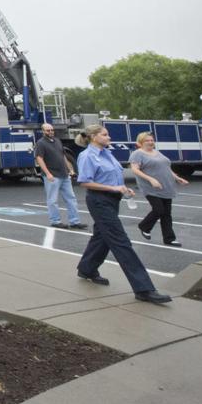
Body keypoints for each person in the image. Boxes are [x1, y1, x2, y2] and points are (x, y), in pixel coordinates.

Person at [75, 124, 171, 304]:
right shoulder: (87, 156)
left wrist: (123, 189)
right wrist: (113, 187)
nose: (109, 137)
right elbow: (84, 182)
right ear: (94, 137)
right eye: (105, 134)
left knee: (102, 236)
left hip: (113, 199)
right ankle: (144, 288)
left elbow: (112, 176)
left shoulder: (106, 153)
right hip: (99, 201)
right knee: (121, 241)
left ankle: (87, 269)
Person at [130, 131, 188, 246]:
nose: (150, 142)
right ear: (141, 142)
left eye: (152, 140)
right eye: (147, 140)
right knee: (159, 210)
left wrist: (177, 178)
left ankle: (169, 238)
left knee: (167, 214)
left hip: (166, 186)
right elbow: (135, 169)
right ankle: (144, 226)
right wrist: (151, 179)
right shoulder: (137, 154)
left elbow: (166, 167)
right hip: (151, 188)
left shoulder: (157, 152)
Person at [34, 123, 87, 230]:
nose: (50, 132)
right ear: (43, 131)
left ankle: (74, 221)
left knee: (71, 198)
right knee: (52, 200)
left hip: (64, 175)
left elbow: (63, 156)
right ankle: (55, 221)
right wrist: (47, 173)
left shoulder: (57, 141)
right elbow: (39, 159)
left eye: (51, 130)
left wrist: (70, 169)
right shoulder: (41, 143)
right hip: (52, 176)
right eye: (47, 130)